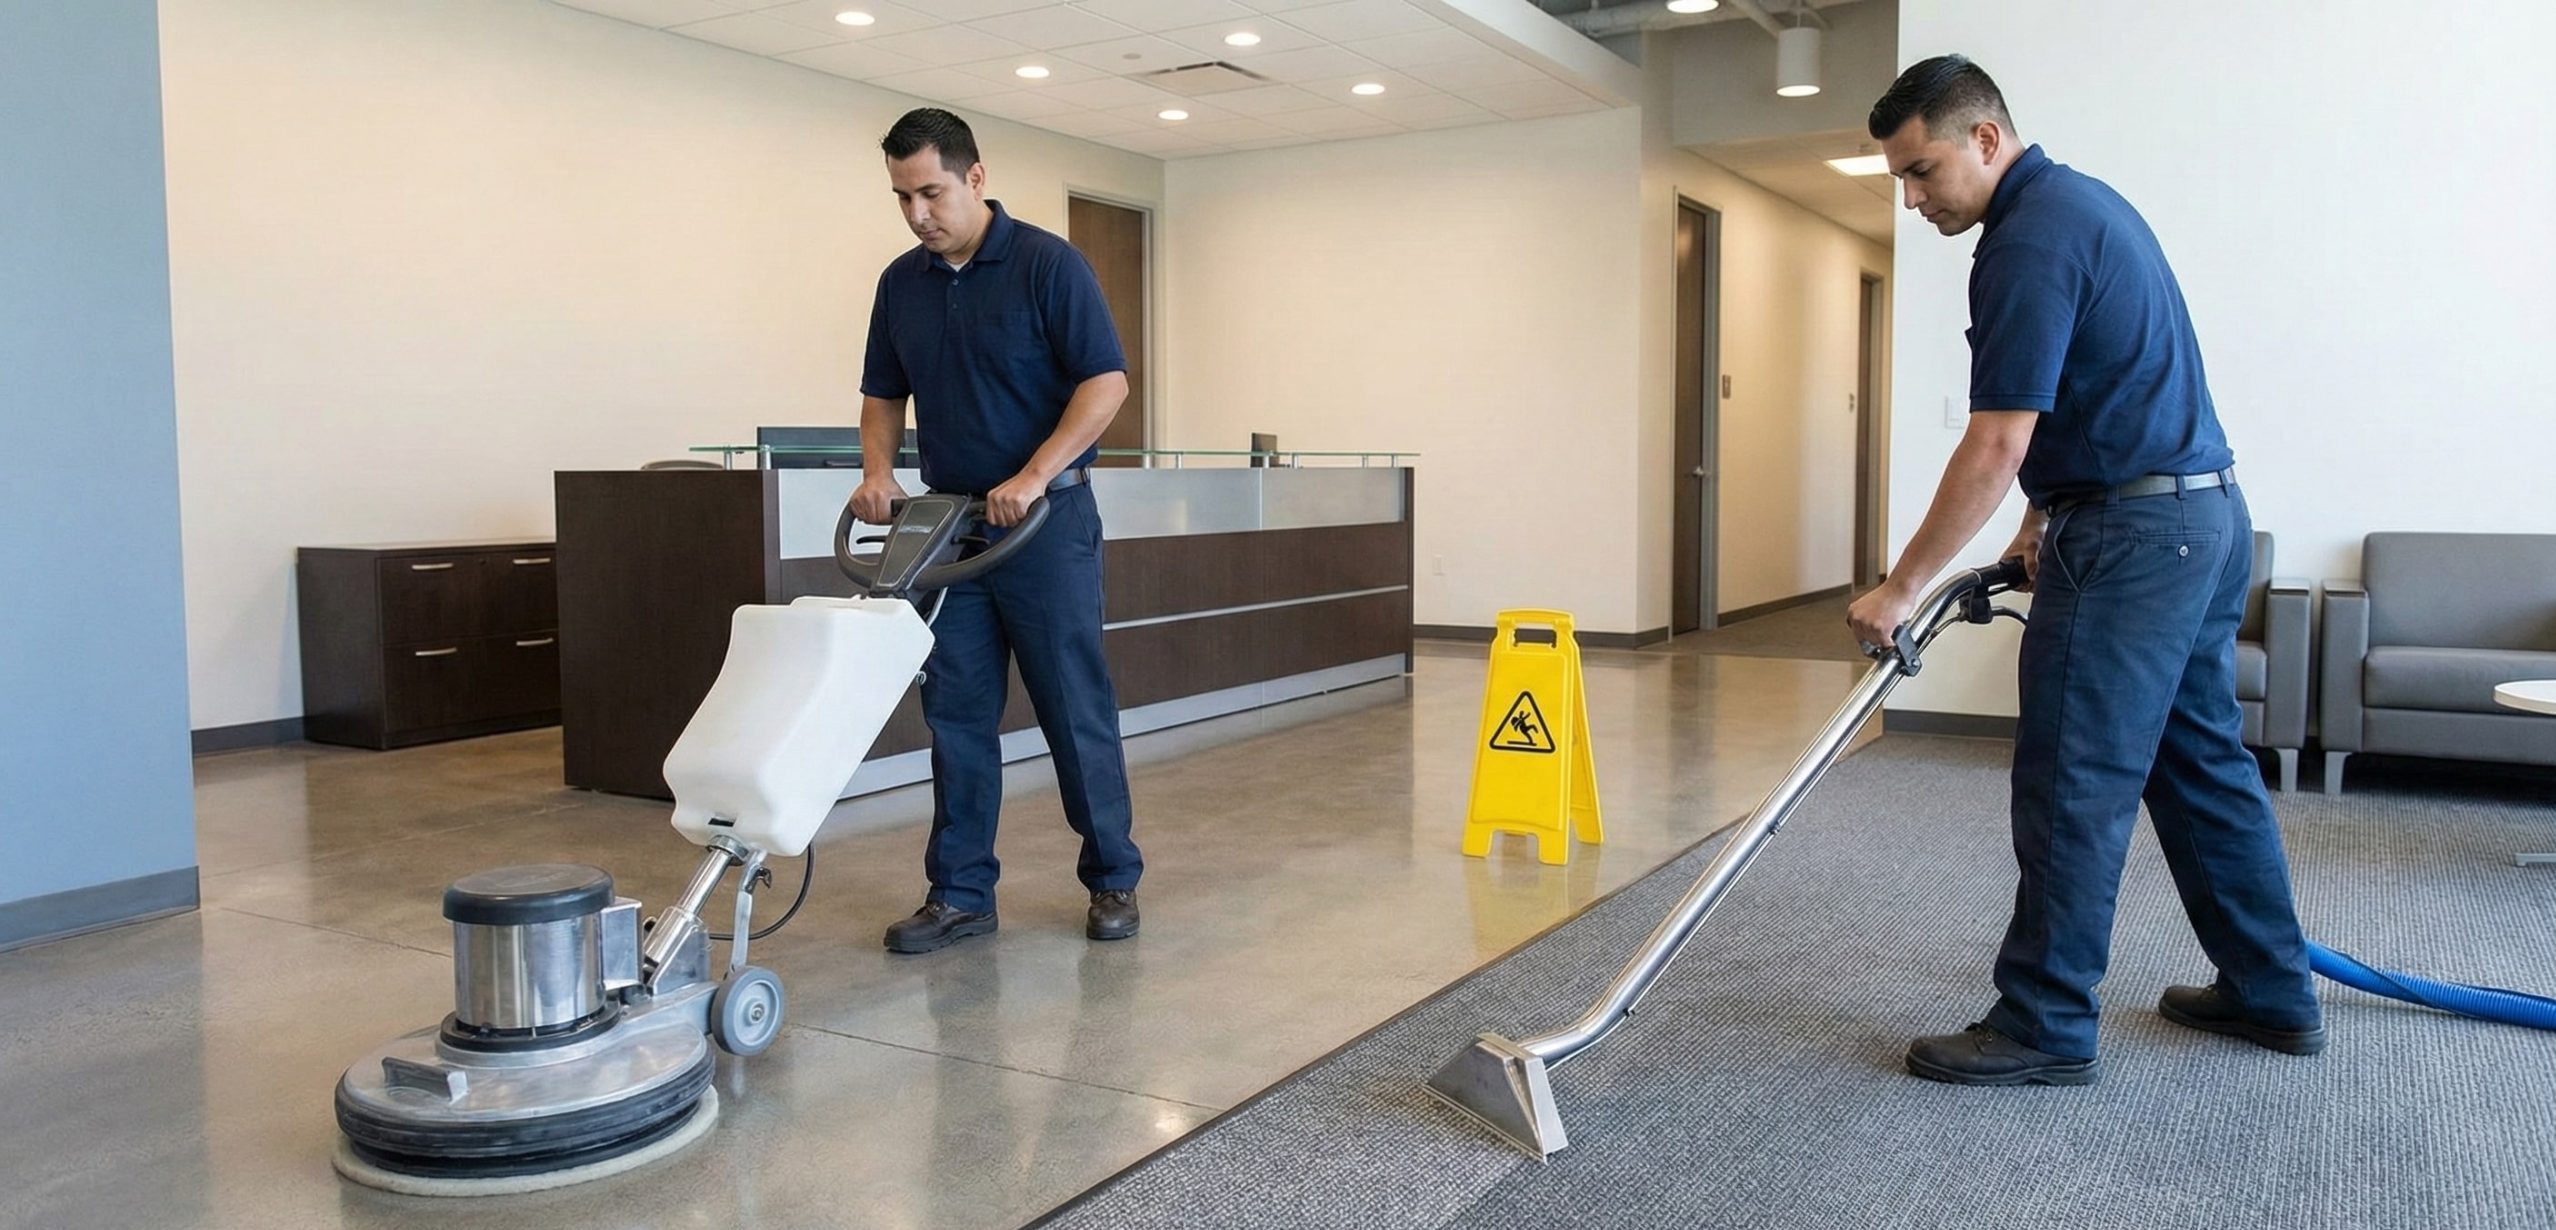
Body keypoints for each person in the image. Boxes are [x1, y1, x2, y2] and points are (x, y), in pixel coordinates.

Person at [1845, 57, 2322, 1085]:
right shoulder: (2082, 208)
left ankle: (2044, 1024)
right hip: (2198, 518)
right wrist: (2034, 524)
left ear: (1984, 139)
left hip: (2133, 544)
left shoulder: (2026, 242)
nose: (1914, 198)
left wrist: (1902, 586)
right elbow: (2088, 400)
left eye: (1923, 171)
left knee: (2073, 781)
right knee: (2198, 767)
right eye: (1900, 179)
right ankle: (2271, 990)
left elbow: (1998, 441)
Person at [853, 108, 1143, 954]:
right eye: (903, 197)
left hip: (1046, 524)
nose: (917, 214)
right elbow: (882, 392)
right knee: (957, 715)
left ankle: (1113, 878)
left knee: (1071, 707)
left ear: (975, 179)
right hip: (953, 529)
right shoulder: (900, 283)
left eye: (931, 193)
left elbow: (1106, 384)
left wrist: (1034, 473)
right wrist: (878, 471)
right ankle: (960, 894)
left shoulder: (1050, 265)